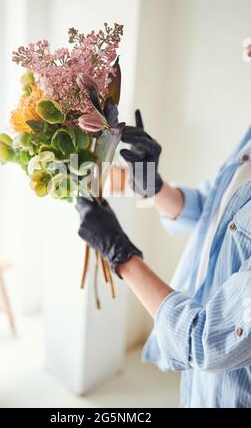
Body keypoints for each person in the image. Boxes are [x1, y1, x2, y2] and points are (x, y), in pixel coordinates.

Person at [76, 110, 251, 408]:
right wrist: (152, 186)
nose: (245, 59)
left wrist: (121, 254)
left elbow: (207, 341)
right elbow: (211, 210)